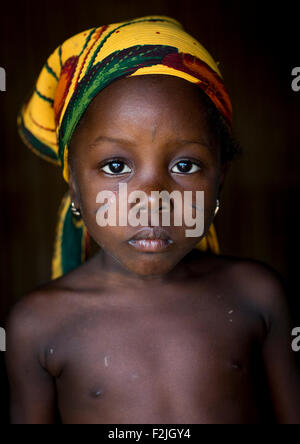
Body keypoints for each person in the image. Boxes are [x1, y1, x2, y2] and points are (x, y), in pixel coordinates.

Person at [5, 15, 300, 424]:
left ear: (220, 179)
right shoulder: (37, 325)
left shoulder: (257, 297)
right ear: (73, 182)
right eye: (114, 166)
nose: (153, 199)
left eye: (185, 164)